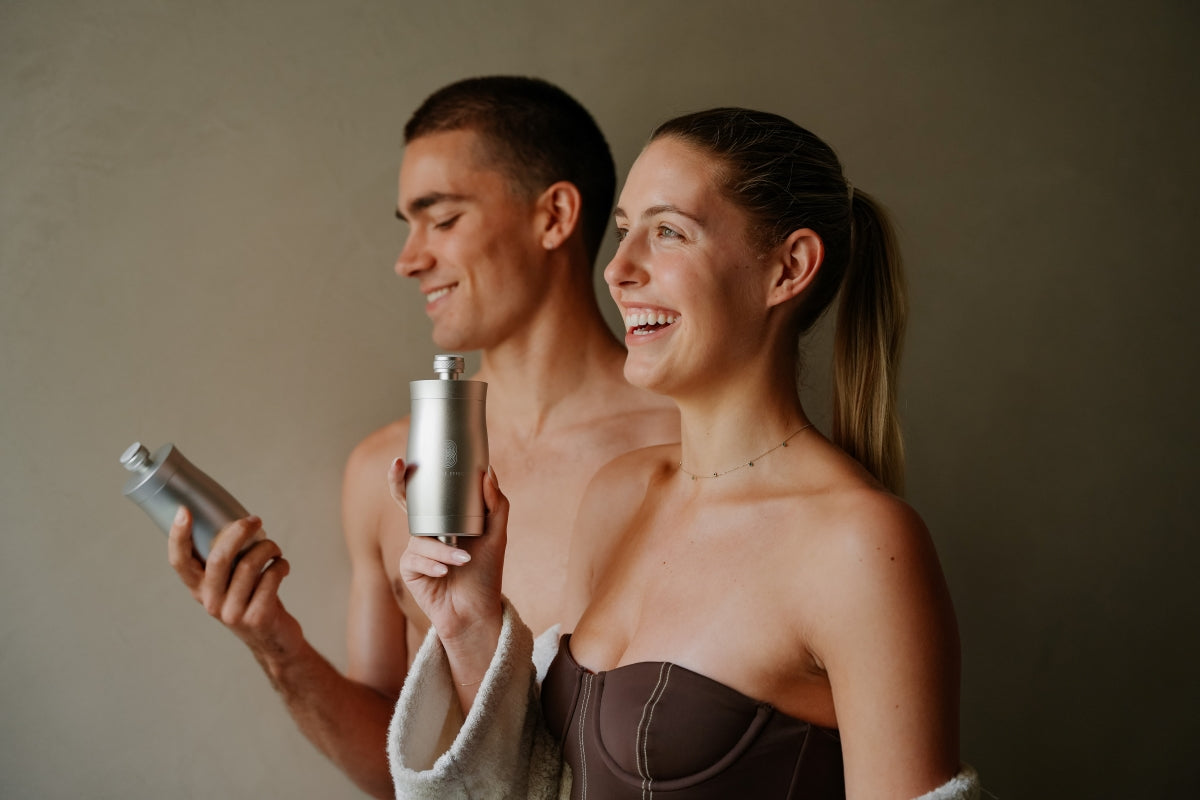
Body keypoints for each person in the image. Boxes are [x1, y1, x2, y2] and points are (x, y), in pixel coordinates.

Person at [387, 108, 979, 799]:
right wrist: (468, 623)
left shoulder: (860, 543)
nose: (618, 270)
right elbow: (548, 785)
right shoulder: (619, 492)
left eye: (668, 232)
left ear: (789, 267)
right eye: (623, 231)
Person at [166, 76, 678, 799]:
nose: (408, 259)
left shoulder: (692, 448)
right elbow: (402, 771)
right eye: (407, 225)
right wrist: (276, 645)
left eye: (440, 220)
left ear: (555, 215)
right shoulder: (386, 472)